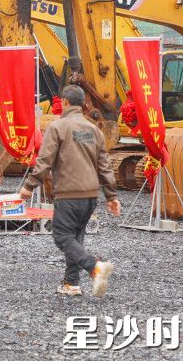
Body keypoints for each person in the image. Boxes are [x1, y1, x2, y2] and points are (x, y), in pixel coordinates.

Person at [19, 85, 121, 298]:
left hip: (68, 193)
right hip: (90, 195)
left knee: (62, 236)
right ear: (83, 104)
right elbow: (104, 165)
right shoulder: (94, 130)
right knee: (76, 237)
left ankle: (95, 267)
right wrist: (111, 196)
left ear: (64, 102)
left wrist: (29, 186)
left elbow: (45, 160)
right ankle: (71, 283)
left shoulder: (58, 127)